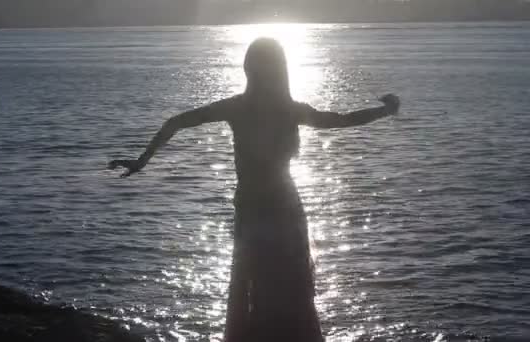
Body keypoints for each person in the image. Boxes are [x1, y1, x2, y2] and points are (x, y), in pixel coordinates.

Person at [109, 37, 400, 342]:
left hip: (253, 209)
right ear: (281, 70)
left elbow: (175, 122)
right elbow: (342, 120)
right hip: (283, 209)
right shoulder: (289, 110)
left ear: (248, 69)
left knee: (254, 285)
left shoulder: (238, 107)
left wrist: (142, 161)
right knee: (287, 286)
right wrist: (386, 111)